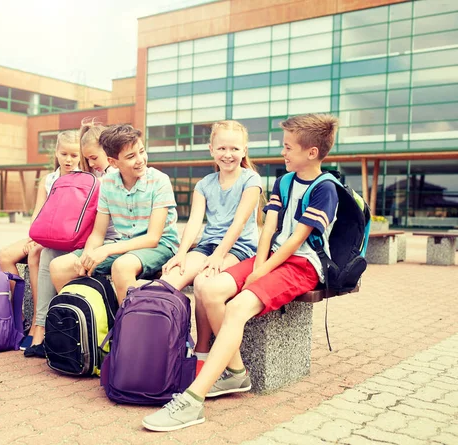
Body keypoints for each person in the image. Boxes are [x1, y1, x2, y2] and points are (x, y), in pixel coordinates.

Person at [142, 113, 340, 432]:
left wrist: (260, 271)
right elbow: (270, 229)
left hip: (303, 265)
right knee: (207, 289)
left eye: (288, 147)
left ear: (311, 152)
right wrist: (258, 265)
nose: (283, 152)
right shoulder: (285, 180)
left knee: (235, 307)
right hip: (273, 256)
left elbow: (296, 240)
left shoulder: (325, 188)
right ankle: (235, 373)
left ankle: (193, 400)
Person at [160, 120, 263, 375]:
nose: (228, 154)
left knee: (205, 283)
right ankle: (170, 345)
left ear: (244, 150)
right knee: (168, 280)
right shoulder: (204, 184)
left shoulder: (251, 180)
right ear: (211, 149)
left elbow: (239, 223)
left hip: (239, 248)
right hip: (208, 245)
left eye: (234, 148)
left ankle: (204, 352)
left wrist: (219, 256)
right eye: (222, 148)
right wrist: (181, 254)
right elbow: (194, 222)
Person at [23, 120, 121, 358]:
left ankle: (67, 328)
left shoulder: (114, 176)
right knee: (46, 253)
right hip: (86, 238)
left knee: (55, 261)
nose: (90, 163)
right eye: (87, 159)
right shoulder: (87, 174)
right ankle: (41, 330)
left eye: (93, 157)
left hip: (111, 241)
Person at [50, 123, 179, 302]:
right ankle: (94, 325)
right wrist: (87, 255)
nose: (140, 159)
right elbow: (98, 233)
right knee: (59, 266)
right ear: (113, 162)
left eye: (141, 151)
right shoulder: (108, 183)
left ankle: (125, 328)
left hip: (159, 247)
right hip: (123, 244)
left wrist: (106, 250)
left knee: (122, 266)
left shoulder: (159, 181)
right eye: (131, 156)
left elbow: (153, 238)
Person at [0, 130, 80, 350]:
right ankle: (14, 321)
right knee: (5, 255)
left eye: (74, 155)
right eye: (64, 154)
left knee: (36, 254)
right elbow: (37, 213)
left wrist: (40, 242)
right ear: (56, 153)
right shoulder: (49, 179)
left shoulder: (82, 180)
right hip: (44, 232)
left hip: (65, 236)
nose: (69, 159)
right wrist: (35, 236)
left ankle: (37, 323)